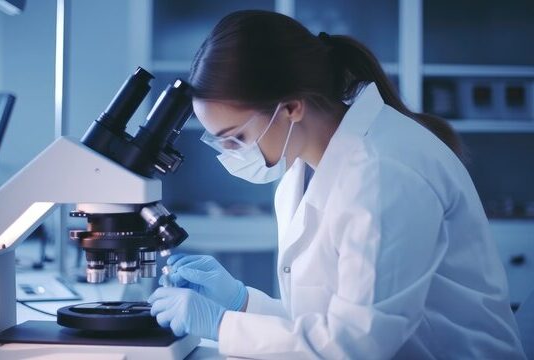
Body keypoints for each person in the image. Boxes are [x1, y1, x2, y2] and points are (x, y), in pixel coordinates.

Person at [148, 10, 526, 359]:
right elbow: (324, 323)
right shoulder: (301, 173)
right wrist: (241, 302)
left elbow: (357, 341)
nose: (231, 154)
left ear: (292, 107)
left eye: (236, 138)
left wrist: (221, 326)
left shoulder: (384, 172)